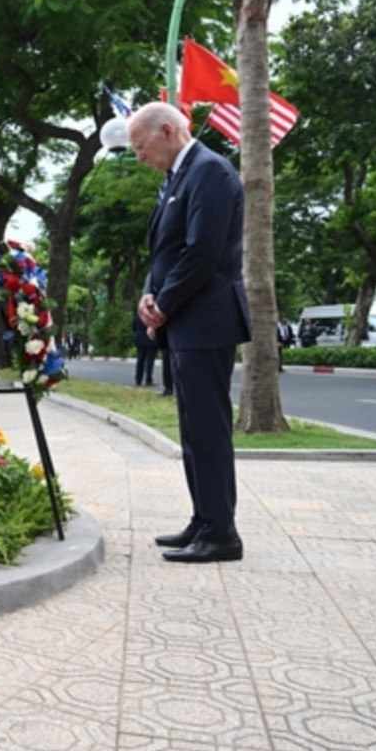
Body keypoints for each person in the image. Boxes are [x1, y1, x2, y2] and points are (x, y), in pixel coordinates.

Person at [128, 102, 251, 564]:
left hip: (208, 317)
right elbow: (165, 247)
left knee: (208, 428)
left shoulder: (210, 173)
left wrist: (164, 302)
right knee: (191, 429)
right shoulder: (178, 177)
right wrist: (148, 292)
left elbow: (202, 252)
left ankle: (221, 533)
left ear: (166, 131)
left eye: (141, 146)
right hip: (184, 320)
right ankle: (204, 519)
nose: (139, 156)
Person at [133, 312, 158, 386]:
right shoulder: (153, 315)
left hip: (140, 340)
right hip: (151, 339)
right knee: (150, 361)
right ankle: (148, 379)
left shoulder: (139, 315)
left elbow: (134, 326)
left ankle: (138, 379)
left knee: (140, 360)